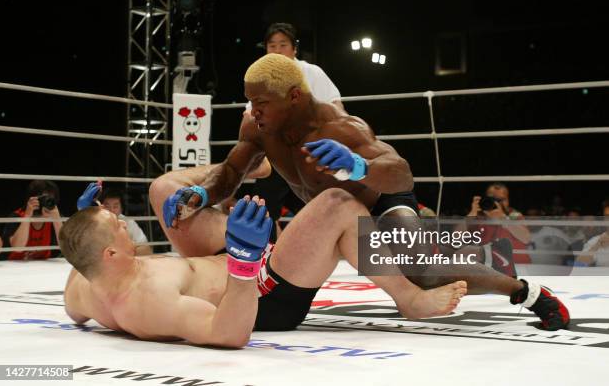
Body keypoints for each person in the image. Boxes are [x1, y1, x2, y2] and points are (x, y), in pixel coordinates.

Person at [155, 54, 569, 330]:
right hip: (338, 215)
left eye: (261, 102)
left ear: (294, 96)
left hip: (383, 202)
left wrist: (358, 167)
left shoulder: (338, 127)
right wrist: (200, 196)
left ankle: (524, 291)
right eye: (250, 102)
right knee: (370, 239)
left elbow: (401, 175)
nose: (253, 111)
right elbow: (230, 173)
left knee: (422, 270)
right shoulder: (257, 128)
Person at [61, 191, 467, 347]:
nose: (121, 220)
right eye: (114, 226)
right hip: (259, 295)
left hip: (231, 266)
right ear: (110, 255)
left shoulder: (82, 283)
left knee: (167, 190)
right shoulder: (150, 300)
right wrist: (243, 262)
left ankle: (250, 177)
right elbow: (228, 333)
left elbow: (79, 267)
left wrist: (84, 220)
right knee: (338, 206)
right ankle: (409, 297)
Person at [247, 22, 343, 241]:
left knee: (320, 203)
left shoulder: (311, 72)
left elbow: (336, 106)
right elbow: (249, 116)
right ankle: (267, 253)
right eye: (273, 46)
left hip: (311, 150)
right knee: (265, 205)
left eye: (283, 45)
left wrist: (334, 139)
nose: (278, 50)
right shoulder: (259, 77)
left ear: (294, 48)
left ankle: (328, 247)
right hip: (277, 153)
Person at [76, 183, 152, 256]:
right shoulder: (93, 221)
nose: (111, 210)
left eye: (115, 206)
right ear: (101, 207)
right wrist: (83, 214)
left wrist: (121, 254)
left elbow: (146, 249)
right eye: (107, 206)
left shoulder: (128, 222)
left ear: (121, 208)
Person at [1, 180, 62, 260]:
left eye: (50, 199)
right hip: (15, 266)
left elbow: (65, 248)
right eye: (43, 198)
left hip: (44, 267)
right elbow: (18, 248)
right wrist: (27, 216)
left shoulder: (54, 218)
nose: (46, 202)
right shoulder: (17, 216)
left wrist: (57, 219)